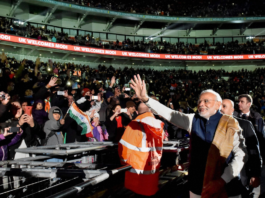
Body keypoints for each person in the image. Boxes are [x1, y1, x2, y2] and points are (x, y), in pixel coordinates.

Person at [130, 74, 247, 198]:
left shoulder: (231, 124)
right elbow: (171, 114)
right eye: (199, 101)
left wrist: (222, 180)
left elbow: (241, 155)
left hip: (227, 187)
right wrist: (146, 99)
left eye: (206, 101)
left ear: (218, 105)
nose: (201, 104)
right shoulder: (193, 120)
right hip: (197, 186)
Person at [118, 102, 165, 196]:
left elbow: (124, 150)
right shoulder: (159, 126)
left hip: (136, 181)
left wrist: (124, 164)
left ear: (137, 112)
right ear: (150, 110)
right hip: (153, 179)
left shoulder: (135, 125)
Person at [221, 99, 262, 198]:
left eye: (224, 106)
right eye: (219, 106)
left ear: (232, 110)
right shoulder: (214, 125)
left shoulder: (245, 124)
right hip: (219, 177)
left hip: (240, 175)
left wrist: (255, 174)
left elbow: (254, 151)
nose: (220, 109)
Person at [234, 94, 265, 197]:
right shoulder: (234, 116)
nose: (239, 103)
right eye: (238, 101)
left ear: (249, 104)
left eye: (242, 101)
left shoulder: (257, 117)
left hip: (252, 155)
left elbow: (260, 140)